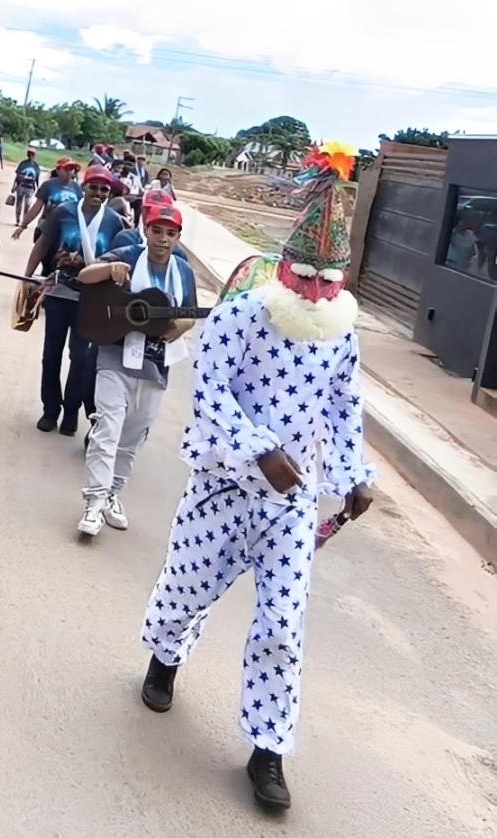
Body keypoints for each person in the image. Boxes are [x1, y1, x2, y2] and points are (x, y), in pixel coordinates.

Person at [138, 143, 374, 811]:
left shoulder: (342, 333)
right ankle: (165, 658)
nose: (318, 290)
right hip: (223, 485)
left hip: (292, 503)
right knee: (186, 592)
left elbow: (343, 404)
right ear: (286, 269)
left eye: (331, 280)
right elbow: (210, 391)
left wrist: (354, 474)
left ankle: (268, 748)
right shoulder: (243, 314)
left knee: (283, 623)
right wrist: (257, 447)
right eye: (308, 277)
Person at [74, 204, 197, 536]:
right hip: (115, 354)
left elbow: (188, 311)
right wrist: (110, 267)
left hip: (156, 363)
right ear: (146, 231)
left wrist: (184, 324)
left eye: (170, 233)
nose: (162, 239)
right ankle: (94, 502)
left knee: (133, 437)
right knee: (106, 430)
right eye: (157, 231)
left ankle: (113, 491)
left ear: (178, 238)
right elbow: (85, 277)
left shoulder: (183, 271)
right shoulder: (128, 252)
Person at [25, 165, 123, 436]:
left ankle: (71, 412)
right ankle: (50, 409)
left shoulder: (114, 221)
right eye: (94, 187)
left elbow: (119, 258)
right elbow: (43, 244)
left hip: (91, 300)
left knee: (80, 357)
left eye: (104, 189)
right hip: (58, 293)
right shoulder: (64, 212)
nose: (99, 193)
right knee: (50, 355)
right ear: (84, 187)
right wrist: (28, 276)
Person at [11, 158, 83, 250]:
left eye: (71, 170)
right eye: (66, 170)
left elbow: (81, 209)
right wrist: (22, 226)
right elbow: (36, 208)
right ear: (57, 170)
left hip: (68, 227)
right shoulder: (48, 186)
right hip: (48, 225)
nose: (69, 173)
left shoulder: (76, 188)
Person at [13, 148, 42, 225]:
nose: (31, 156)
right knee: (19, 203)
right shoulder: (23, 164)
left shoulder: (36, 166)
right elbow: (17, 176)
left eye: (32, 154)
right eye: (30, 154)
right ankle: (18, 220)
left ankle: (24, 221)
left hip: (30, 187)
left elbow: (37, 178)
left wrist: (38, 187)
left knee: (27, 205)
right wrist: (14, 186)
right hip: (21, 185)